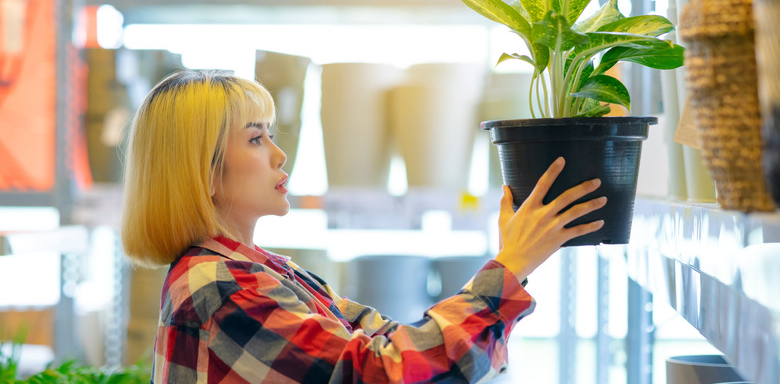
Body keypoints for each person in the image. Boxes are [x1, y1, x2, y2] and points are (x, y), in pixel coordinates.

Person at [121, 69, 606, 383]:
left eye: (270, 134)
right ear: (202, 171)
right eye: (255, 139)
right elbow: (378, 373)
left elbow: (389, 342)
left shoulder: (265, 270)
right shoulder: (219, 286)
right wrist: (510, 265)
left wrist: (513, 266)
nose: (278, 153)